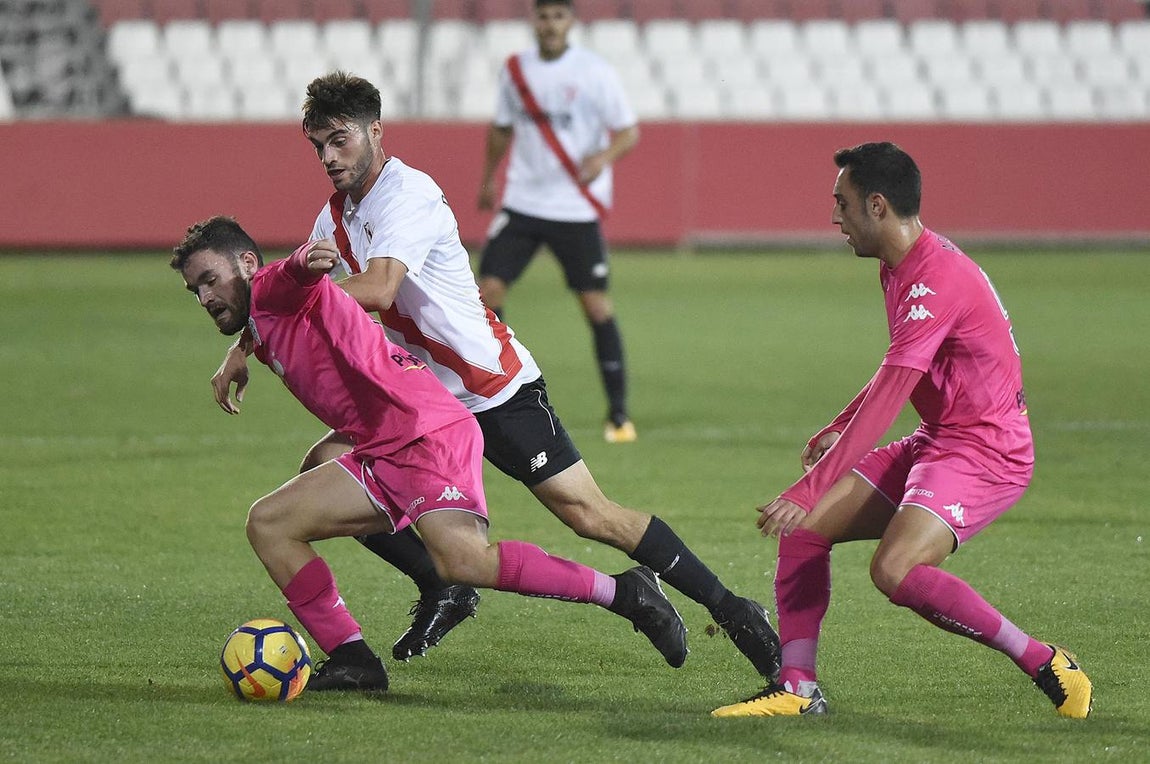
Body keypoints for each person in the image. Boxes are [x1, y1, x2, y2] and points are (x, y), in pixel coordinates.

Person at [210, 71, 781, 681]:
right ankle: (442, 582)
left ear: (375, 131)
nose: (328, 157)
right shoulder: (335, 217)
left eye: (339, 140)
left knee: (589, 515)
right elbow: (295, 291)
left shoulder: (408, 195)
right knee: (319, 468)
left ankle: (727, 606)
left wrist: (277, 310)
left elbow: (375, 289)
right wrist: (245, 343)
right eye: (317, 145)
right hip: (419, 406)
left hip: (491, 388)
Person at [173, 216, 689, 692]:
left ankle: (626, 593)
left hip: (426, 431)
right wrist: (239, 351)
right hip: (383, 442)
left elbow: (292, 275)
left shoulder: (272, 287)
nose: (203, 296)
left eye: (209, 279)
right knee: (269, 523)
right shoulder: (260, 319)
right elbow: (264, 316)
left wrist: (309, 257)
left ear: (245, 264)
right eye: (194, 288)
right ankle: (354, 658)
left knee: (465, 560)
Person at [711, 142, 1093, 719]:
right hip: (942, 437)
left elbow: (892, 395)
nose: (834, 217)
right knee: (806, 532)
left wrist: (810, 485)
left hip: (987, 451)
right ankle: (797, 689)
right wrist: (840, 424)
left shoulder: (933, 280)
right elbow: (898, 369)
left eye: (842, 204)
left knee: (895, 570)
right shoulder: (902, 265)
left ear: (878, 205)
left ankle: (1044, 659)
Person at [477, 0, 639, 444]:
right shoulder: (515, 69)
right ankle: (491, 394)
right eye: (544, 16)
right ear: (535, 21)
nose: (551, 25)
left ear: (571, 22)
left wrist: (601, 158)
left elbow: (627, 131)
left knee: (596, 307)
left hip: (574, 207)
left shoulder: (595, 72)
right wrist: (489, 178)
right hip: (524, 201)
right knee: (486, 295)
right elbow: (502, 127)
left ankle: (619, 413)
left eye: (559, 16)